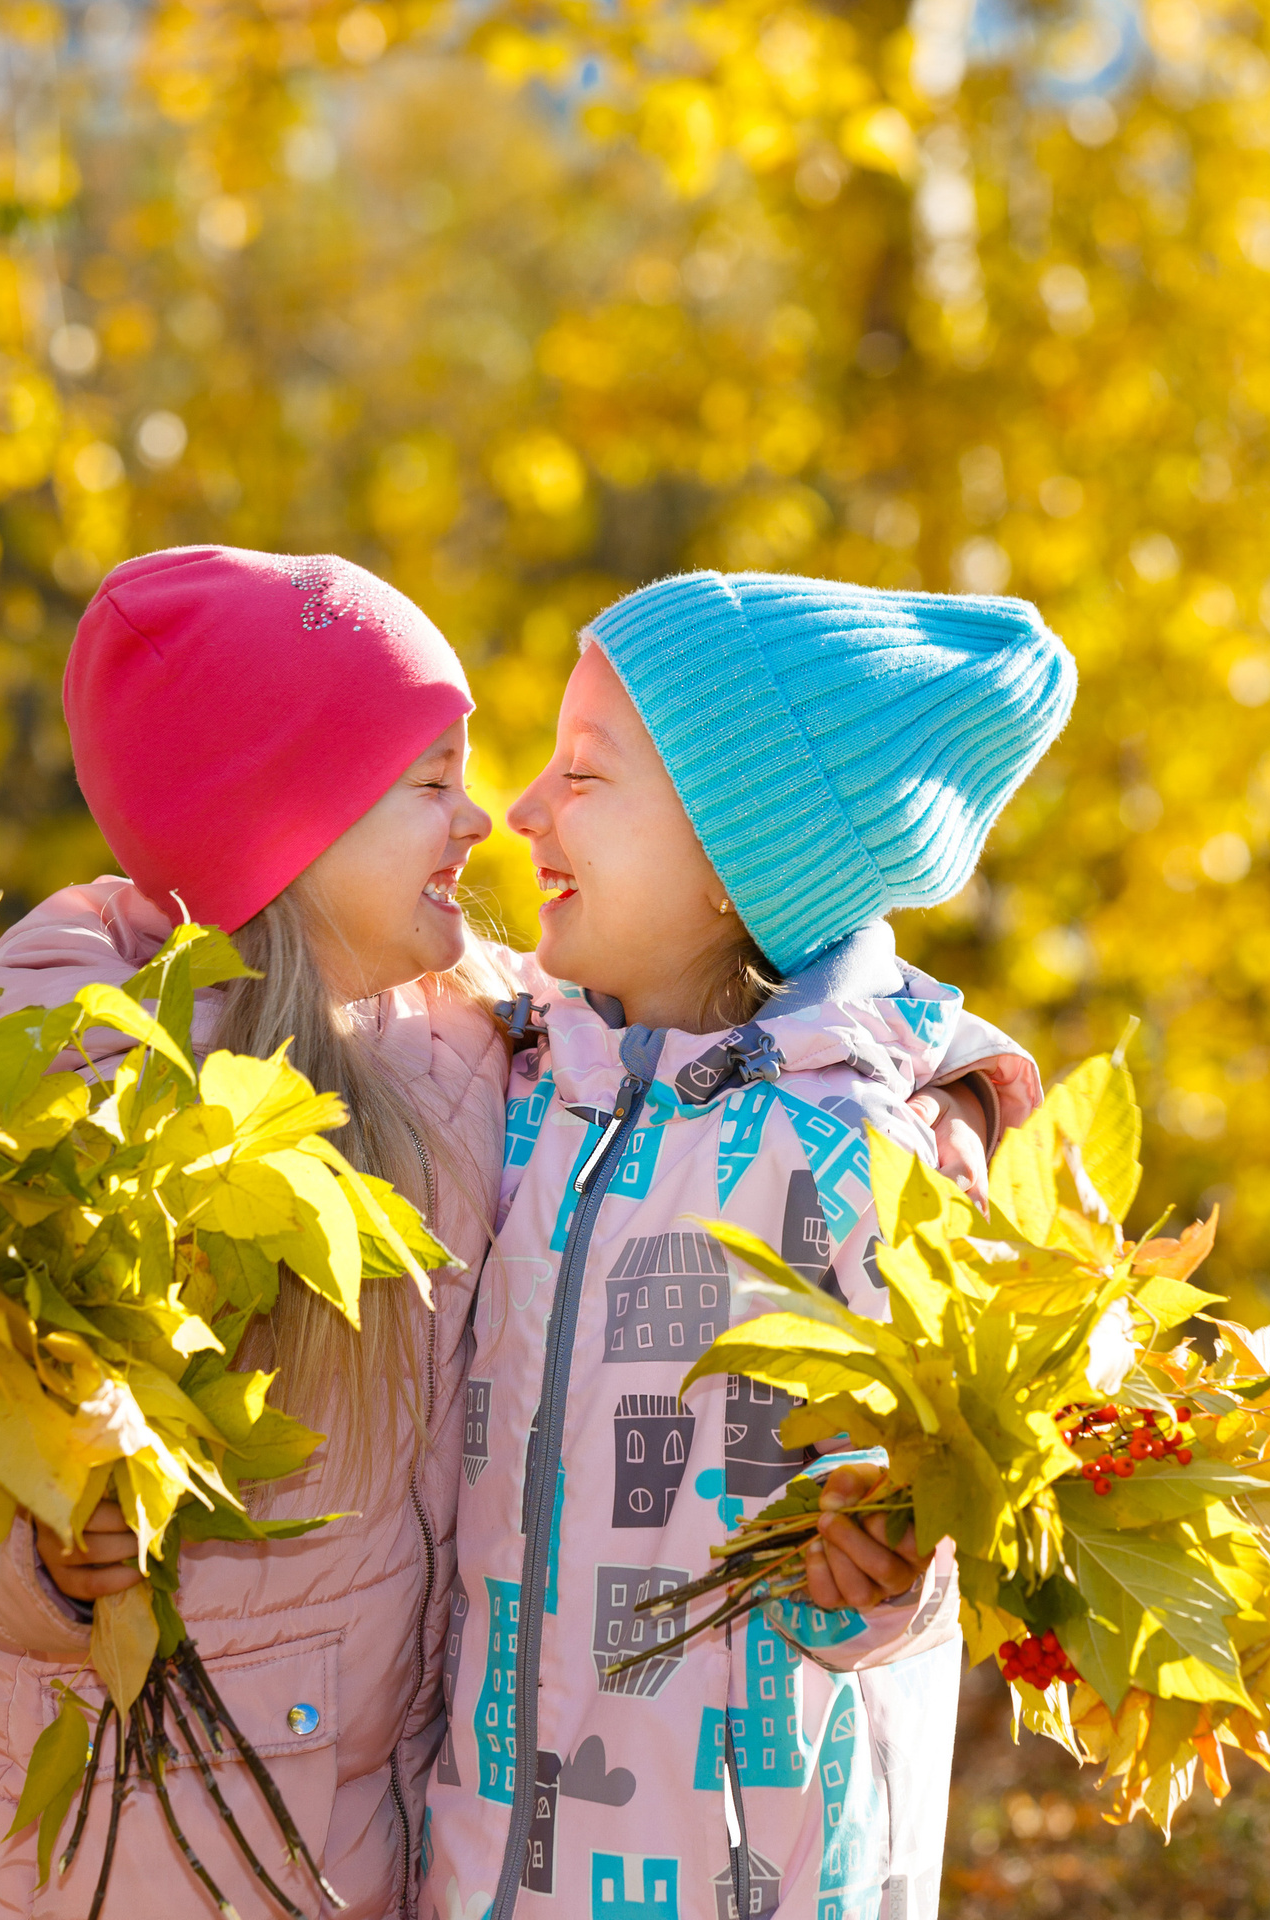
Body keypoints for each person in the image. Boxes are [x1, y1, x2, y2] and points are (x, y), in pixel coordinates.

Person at [0, 546, 514, 1920]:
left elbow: (738, 1022)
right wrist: (48, 1560)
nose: (481, 825)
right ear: (293, 818)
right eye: (429, 784)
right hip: (97, 1832)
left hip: (346, 1815)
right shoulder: (69, 1091)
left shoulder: (476, 1040)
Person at [421, 572, 1073, 1920]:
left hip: (750, 1869)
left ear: (739, 853)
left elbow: (935, 1510)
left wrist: (884, 1573)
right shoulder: (527, 1079)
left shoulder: (862, 1160)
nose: (524, 810)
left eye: (586, 777)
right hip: (485, 1859)